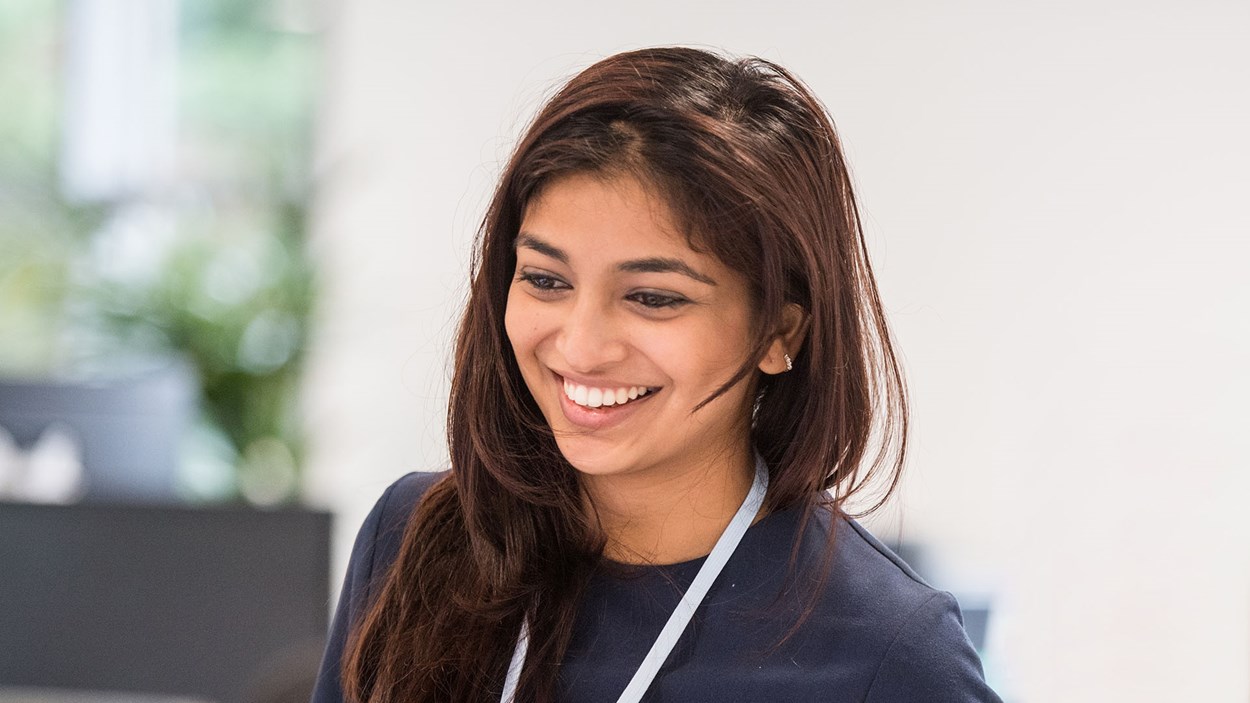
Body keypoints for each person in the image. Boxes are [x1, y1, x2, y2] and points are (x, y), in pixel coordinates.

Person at [312, 47, 1002, 703]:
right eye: (546, 280)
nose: (580, 346)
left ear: (779, 330)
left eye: (652, 297)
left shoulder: (890, 655)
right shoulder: (415, 539)